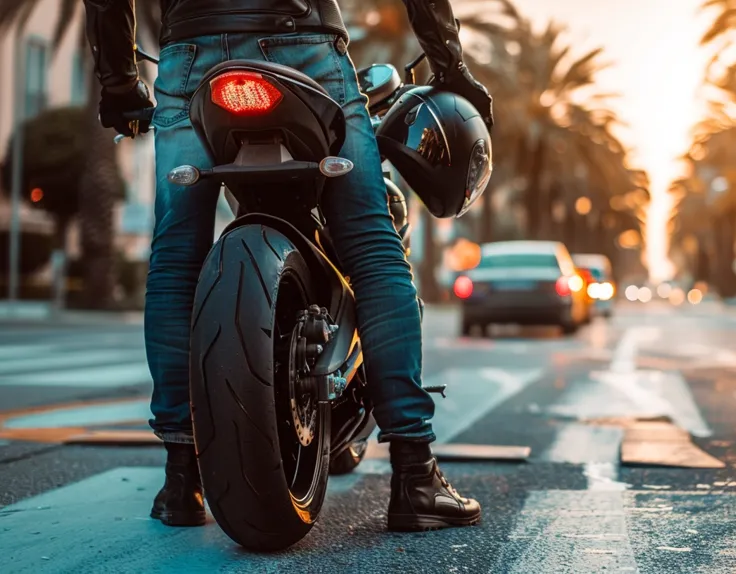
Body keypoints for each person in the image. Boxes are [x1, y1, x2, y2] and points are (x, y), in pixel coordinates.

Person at [83, 0, 493, 532]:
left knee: (176, 255)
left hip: (189, 55)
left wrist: (118, 80)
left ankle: (181, 478)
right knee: (372, 244)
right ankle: (415, 474)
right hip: (305, 43)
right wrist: (450, 64)